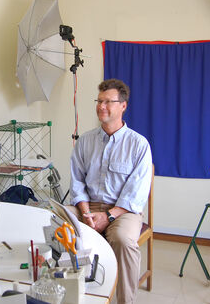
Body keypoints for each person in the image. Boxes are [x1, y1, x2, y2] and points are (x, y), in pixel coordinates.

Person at [68, 79, 152, 304]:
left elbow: (136, 193)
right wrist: (85, 212)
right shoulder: (85, 141)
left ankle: (125, 301)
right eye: (99, 101)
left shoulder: (139, 145)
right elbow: (76, 182)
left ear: (123, 106)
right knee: (59, 223)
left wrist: (108, 216)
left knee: (122, 240)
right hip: (88, 206)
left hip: (123, 211)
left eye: (108, 102)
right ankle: (71, 294)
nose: (101, 106)